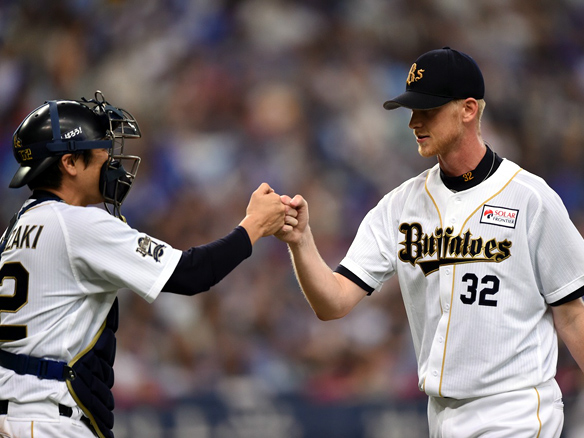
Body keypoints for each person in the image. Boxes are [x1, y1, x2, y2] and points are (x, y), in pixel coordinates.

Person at [276, 47, 584, 437]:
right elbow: (333, 302)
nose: (414, 122)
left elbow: (572, 315)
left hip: (516, 411)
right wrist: (301, 242)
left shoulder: (530, 198)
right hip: (441, 415)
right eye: (412, 110)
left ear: (468, 109)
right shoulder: (399, 206)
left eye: (428, 109)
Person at [0, 91, 295, 438]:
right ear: (70, 163)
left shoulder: (16, 228)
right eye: (102, 149)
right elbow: (192, 274)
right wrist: (254, 225)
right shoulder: (77, 224)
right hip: (50, 419)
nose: (112, 160)